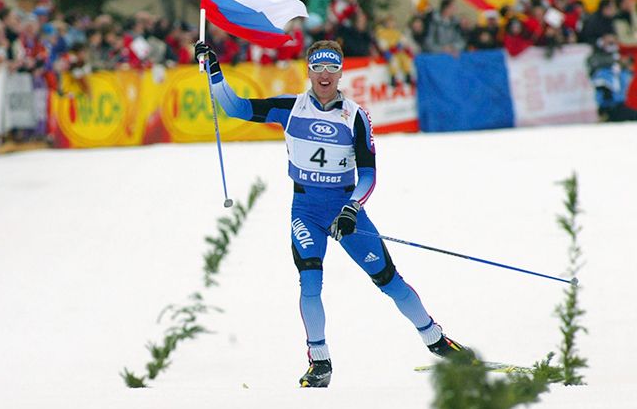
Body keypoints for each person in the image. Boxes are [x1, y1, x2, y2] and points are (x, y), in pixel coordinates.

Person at [195, 38, 467, 388]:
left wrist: (352, 209)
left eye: (332, 68)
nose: (325, 75)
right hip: (305, 210)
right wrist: (214, 70)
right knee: (310, 282)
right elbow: (234, 108)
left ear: (341, 72)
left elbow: (368, 174)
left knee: (389, 282)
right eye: (318, 67)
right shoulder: (289, 107)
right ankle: (319, 362)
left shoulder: (355, 117)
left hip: (344, 210)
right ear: (308, 70)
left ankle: (436, 339)